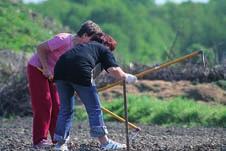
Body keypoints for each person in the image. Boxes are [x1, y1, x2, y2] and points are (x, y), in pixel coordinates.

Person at [53, 32, 138, 151]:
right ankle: (105, 143)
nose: (111, 52)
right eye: (111, 49)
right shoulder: (104, 49)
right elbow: (113, 69)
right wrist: (126, 76)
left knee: (65, 109)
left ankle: (60, 145)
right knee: (94, 109)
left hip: (60, 70)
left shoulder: (83, 47)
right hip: (80, 70)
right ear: (107, 45)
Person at [26, 20, 102, 149]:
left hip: (55, 74)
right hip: (38, 69)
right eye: (91, 39)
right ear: (84, 35)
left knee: (58, 106)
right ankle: (39, 140)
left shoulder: (80, 49)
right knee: (44, 103)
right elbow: (41, 48)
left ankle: (58, 139)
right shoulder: (63, 39)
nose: (92, 43)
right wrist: (46, 68)